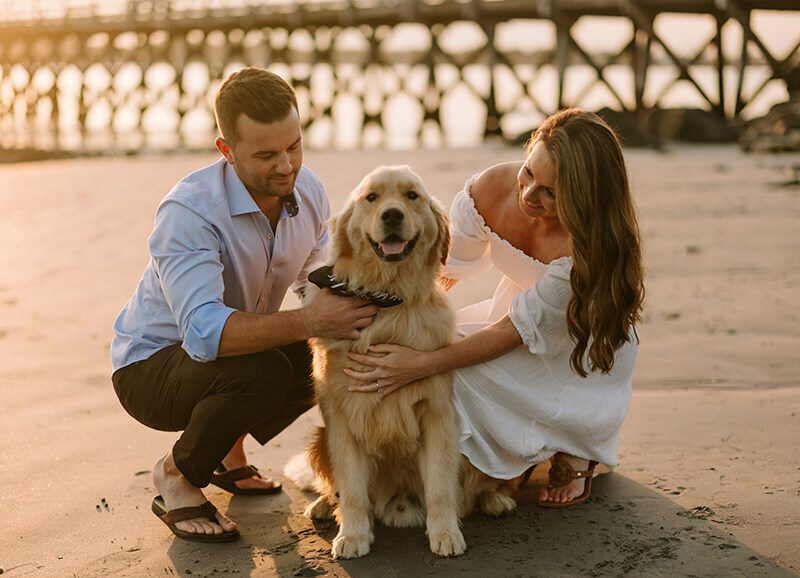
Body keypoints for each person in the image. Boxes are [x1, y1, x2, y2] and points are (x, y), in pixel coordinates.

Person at [110, 67, 378, 542]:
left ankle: (227, 453)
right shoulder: (190, 213)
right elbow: (203, 334)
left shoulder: (307, 189)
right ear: (226, 151)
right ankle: (177, 475)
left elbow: (317, 280)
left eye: (293, 146)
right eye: (266, 154)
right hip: (150, 369)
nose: (286, 166)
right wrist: (314, 318)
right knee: (268, 369)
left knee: (325, 351)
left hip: (224, 357)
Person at [345, 108, 644, 508]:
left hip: (575, 344)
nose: (528, 196)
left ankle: (573, 450)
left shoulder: (583, 254)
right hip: (514, 312)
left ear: (585, 199)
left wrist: (420, 363)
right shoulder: (489, 188)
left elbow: (508, 334)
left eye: (550, 193)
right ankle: (498, 455)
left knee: (451, 375)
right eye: (529, 172)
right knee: (433, 351)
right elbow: (443, 270)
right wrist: (391, 321)